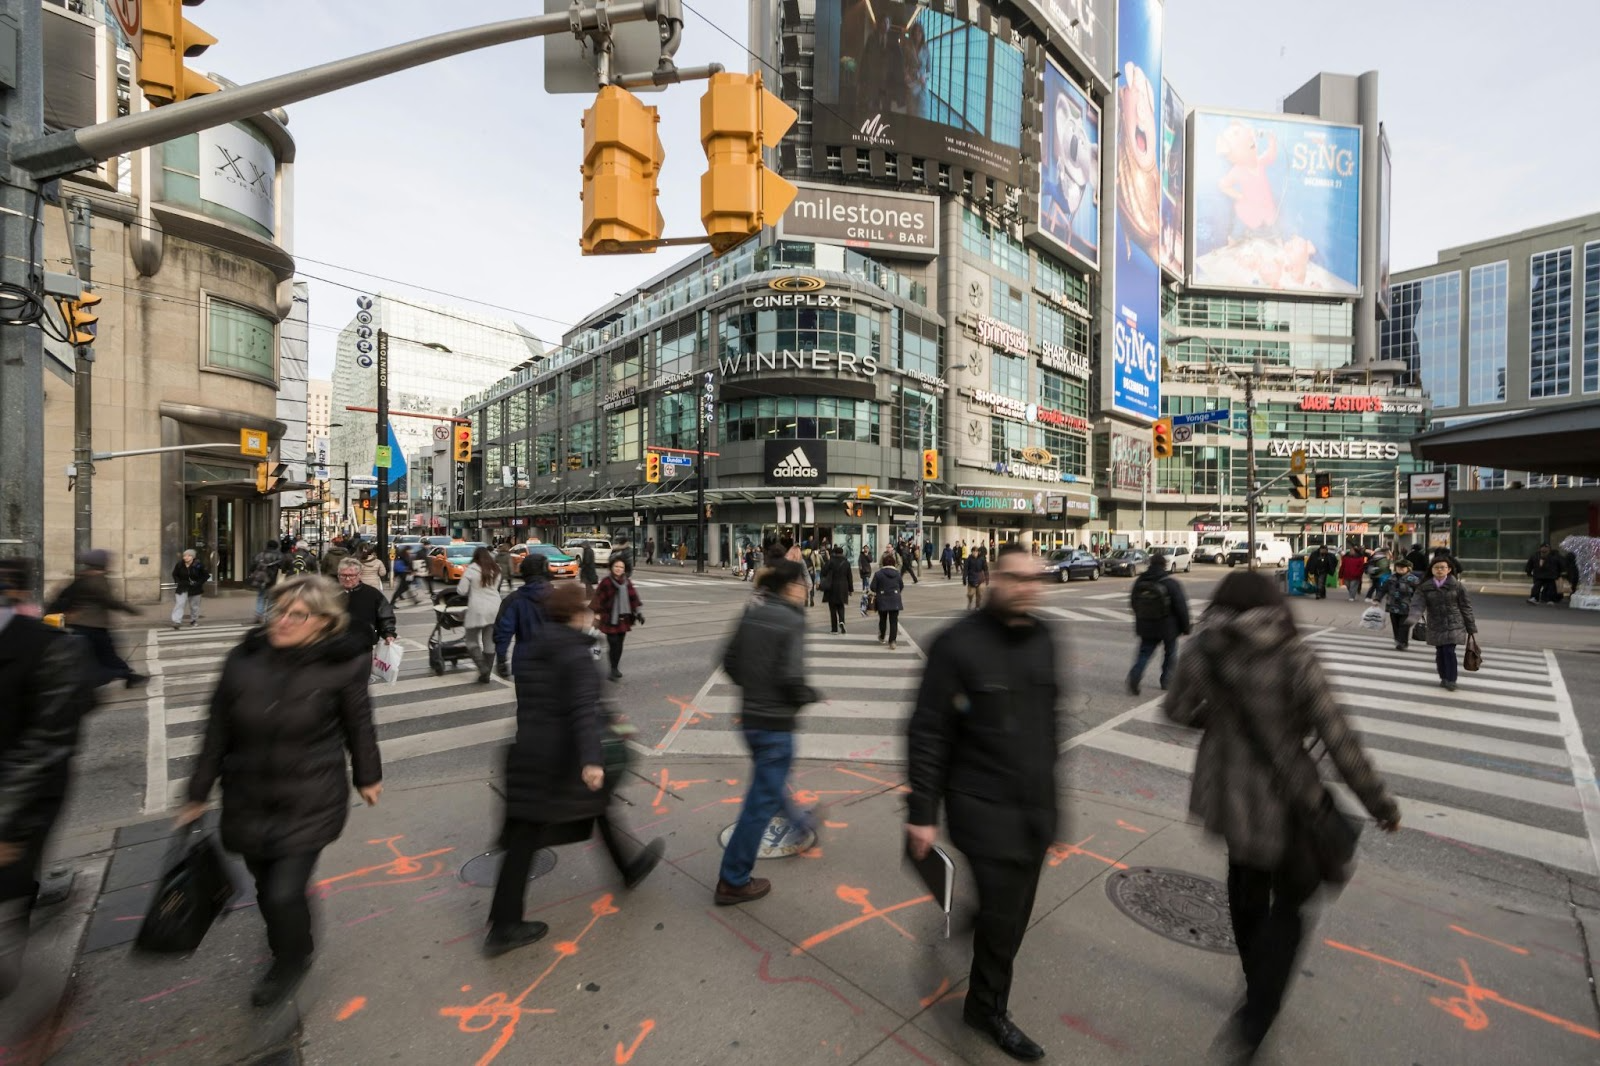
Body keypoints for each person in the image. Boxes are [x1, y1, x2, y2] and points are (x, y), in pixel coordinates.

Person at [1161, 569, 1400, 1056]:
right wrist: (1380, 803)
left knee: (1245, 889)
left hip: (1230, 795)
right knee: (1289, 908)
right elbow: (1338, 739)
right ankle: (1258, 1014)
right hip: (1288, 799)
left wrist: (1222, 723)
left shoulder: (1203, 649)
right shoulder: (1293, 654)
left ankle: (1254, 986)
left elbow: (1177, 711)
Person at [177, 575, 382, 1008]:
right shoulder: (244, 658)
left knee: (283, 891)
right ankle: (286, 932)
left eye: (297, 615)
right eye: (278, 611)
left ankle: (291, 957)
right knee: (266, 884)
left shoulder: (342, 664)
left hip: (311, 796)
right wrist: (197, 791)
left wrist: (368, 775)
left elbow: (358, 725)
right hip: (247, 794)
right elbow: (216, 729)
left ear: (324, 623)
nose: (283, 621)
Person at [906, 545, 1058, 1062]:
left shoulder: (1045, 638)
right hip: (980, 806)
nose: (1025, 587)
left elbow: (1049, 726)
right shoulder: (957, 645)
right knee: (1003, 920)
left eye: (1034, 579)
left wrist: (1053, 805)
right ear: (993, 577)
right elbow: (927, 733)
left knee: (1011, 917)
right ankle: (987, 1009)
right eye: (1015, 578)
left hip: (1033, 809)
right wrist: (922, 813)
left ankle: (984, 950)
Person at [486, 581, 665, 956]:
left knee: (592, 811)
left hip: (529, 751)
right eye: (586, 610)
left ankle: (628, 868)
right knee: (529, 838)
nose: (592, 615)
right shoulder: (575, 652)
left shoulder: (535, 643)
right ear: (574, 615)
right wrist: (591, 760)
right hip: (560, 759)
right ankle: (504, 926)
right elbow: (582, 709)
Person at [0, 558, 97, 1003]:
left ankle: (46, 1003)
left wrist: (7, 825)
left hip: (21, 809)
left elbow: (47, 742)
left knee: (9, 924)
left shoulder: (47, 646)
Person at [715, 561, 820, 905]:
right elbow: (792, 678)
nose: (805, 589)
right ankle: (733, 879)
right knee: (759, 803)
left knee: (769, 783)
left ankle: (800, 821)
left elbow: (728, 661)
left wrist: (754, 688)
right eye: (803, 583)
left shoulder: (752, 611)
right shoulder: (792, 619)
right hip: (775, 724)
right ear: (790, 587)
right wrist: (808, 696)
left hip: (749, 718)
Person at [46, 549, 145, 688]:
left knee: (96, 655)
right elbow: (109, 601)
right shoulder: (98, 580)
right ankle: (124, 675)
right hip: (95, 625)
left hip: (79, 624)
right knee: (107, 654)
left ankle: (127, 675)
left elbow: (63, 596)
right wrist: (131, 609)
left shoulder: (82, 577)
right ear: (102, 563)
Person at [1127, 553, 1192, 695]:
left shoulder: (1140, 581)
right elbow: (1181, 607)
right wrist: (1186, 627)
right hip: (1168, 627)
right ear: (1164, 565)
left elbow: (1133, 602)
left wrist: (1143, 617)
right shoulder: (1170, 583)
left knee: (1144, 653)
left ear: (1150, 564)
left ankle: (1135, 675)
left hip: (1146, 626)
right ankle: (1166, 681)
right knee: (1170, 654)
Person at [1411, 558, 1477, 691]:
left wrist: (1471, 626)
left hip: (1454, 624)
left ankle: (1451, 679)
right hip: (1435, 623)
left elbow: (1466, 607)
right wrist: (1413, 617)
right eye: (1436, 567)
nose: (1439, 570)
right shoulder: (1425, 586)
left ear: (1449, 569)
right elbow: (1417, 603)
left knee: (1449, 651)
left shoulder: (1457, 586)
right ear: (1431, 570)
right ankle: (1443, 677)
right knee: (1440, 652)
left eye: (1442, 567)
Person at [495, 554, 552, 679]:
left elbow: (503, 632)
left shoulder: (513, 600)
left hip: (525, 663)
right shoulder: (560, 598)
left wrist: (501, 659)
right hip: (555, 662)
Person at [457, 546, 505, 684]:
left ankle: (483, 668)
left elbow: (461, 590)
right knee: (489, 641)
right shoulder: (497, 569)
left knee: (471, 641)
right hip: (495, 607)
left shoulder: (471, 569)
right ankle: (486, 675)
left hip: (477, 608)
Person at [591, 558, 642, 682]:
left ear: (624, 570)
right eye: (616, 566)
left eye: (621, 567)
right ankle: (613, 669)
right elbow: (598, 598)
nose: (619, 569)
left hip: (623, 618)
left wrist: (639, 613)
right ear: (611, 567)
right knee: (613, 643)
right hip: (609, 618)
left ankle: (615, 667)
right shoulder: (606, 582)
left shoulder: (627, 582)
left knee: (619, 645)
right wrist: (597, 613)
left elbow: (633, 598)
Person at [336, 558, 396, 649]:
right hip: (334, 645)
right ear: (338, 575)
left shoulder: (372, 594)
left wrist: (388, 633)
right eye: (343, 575)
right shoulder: (329, 593)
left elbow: (385, 614)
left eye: (351, 575)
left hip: (363, 644)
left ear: (359, 575)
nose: (347, 579)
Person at [1381, 558, 1421, 650]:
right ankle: (1398, 640)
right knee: (1395, 625)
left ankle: (1403, 642)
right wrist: (1377, 598)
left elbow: (1419, 593)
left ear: (1409, 568)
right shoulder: (1391, 578)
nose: (1400, 569)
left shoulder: (1413, 579)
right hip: (1393, 606)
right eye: (1398, 567)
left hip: (1407, 607)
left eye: (1403, 567)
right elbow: (1383, 589)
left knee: (1404, 626)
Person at [869, 551, 905, 650]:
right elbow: (901, 585)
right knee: (894, 621)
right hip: (895, 599)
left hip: (882, 599)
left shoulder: (878, 574)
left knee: (883, 619)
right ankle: (892, 641)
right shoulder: (897, 574)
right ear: (894, 563)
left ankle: (882, 636)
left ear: (884, 563)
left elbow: (872, 587)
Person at [170, 548, 209, 628]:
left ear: (193, 557)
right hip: (182, 587)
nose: (186, 557)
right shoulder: (180, 564)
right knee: (179, 604)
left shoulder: (198, 565)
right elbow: (175, 574)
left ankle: (193, 620)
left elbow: (205, 576)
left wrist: (198, 583)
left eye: (188, 556)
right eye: (184, 555)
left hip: (195, 588)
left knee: (194, 606)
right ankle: (177, 621)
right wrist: (178, 582)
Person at [820, 546, 854, 634]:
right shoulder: (846, 563)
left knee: (832, 608)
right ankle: (842, 621)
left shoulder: (830, 561)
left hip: (832, 586)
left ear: (834, 553)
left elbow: (823, 572)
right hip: (843, 587)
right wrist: (851, 589)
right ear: (842, 553)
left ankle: (834, 629)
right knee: (841, 605)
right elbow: (849, 577)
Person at [249, 540, 285, 622]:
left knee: (260, 596)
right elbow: (283, 567)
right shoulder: (279, 555)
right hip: (273, 578)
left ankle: (258, 615)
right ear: (276, 546)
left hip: (261, 579)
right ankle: (269, 617)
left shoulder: (260, 554)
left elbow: (253, 566)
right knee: (271, 598)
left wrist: (252, 574)